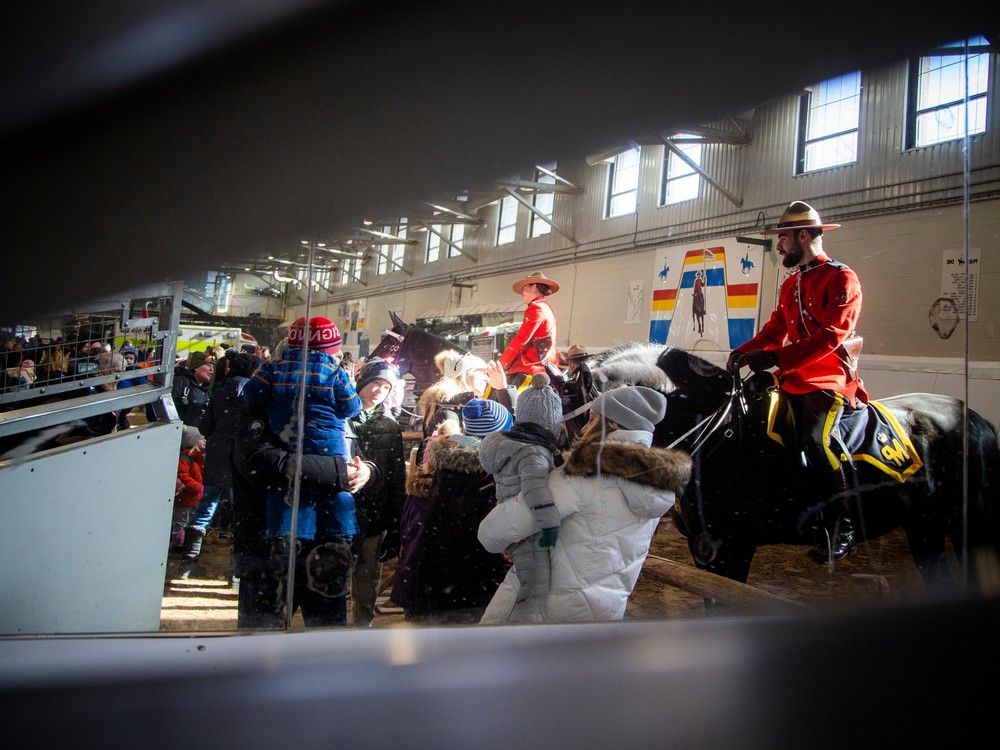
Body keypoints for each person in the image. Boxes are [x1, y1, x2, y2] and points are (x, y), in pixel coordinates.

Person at [725, 200, 867, 563]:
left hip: (829, 379)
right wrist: (742, 352)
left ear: (804, 236)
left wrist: (774, 358)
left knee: (815, 440)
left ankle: (845, 524)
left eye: (784, 238)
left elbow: (831, 338)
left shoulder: (842, 278)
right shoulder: (791, 285)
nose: (780, 246)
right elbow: (774, 331)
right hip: (791, 377)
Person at [478, 385, 692, 624]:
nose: (583, 427)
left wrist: (510, 542)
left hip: (546, 609)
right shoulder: (656, 484)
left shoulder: (582, 476)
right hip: (603, 614)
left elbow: (492, 532)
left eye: (592, 419)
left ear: (609, 425)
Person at [241, 315, 363, 626]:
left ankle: (286, 540)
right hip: (330, 473)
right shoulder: (335, 373)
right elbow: (353, 407)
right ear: (333, 348)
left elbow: (252, 395)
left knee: (288, 511)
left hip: (285, 484)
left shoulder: (272, 369)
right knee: (326, 611)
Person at [476, 373, 564, 615]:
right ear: (551, 422)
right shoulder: (533, 452)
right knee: (534, 589)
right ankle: (522, 634)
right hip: (530, 528)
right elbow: (535, 491)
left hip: (511, 518)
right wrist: (550, 525)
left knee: (520, 584)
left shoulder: (510, 443)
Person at [177, 351, 263, 579]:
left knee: (206, 507)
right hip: (243, 461)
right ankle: (236, 574)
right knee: (241, 514)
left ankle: (187, 564)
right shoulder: (255, 392)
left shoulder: (219, 392)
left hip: (217, 458)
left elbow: (205, 426)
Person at [346, 358, 406, 627]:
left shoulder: (390, 426)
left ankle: (362, 626)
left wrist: (395, 523)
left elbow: (395, 477)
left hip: (375, 512)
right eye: (375, 383)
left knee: (368, 576)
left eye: (385, 386)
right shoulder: (342, 417)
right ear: (362, 383)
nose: (379, 390)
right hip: (342, 509)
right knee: (335, 571)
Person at [497, 271, 561, 387]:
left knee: (504, 395)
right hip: (545, 365)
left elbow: (521, 339)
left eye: (525, 288)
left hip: (532, 367)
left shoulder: (536, 308)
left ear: (534, 287)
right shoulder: (545, 307)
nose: (522, 292)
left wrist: (501, 364)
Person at [171, 425, 205, 553]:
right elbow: (183, 477)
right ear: (193, 442)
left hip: (193, 498)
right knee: (181, 522)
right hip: (185, 498)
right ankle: (178, 545)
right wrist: (198, 488)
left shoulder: (198, 457)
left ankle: (184, 543)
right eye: (202, 439)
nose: (205, 441)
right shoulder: (184, 458)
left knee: (187, 521)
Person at [171, 351, 214, 427]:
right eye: (208, 365)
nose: (211, 369)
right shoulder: (180, 382)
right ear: (196, 367)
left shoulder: (207, 389)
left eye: (213, 366)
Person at [692, 269, 706, 336]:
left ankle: (703, 309)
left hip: (700, 292)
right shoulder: (696, 280)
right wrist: (694, 293)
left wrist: (705, 281)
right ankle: (694, 310)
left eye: (699, 274)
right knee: (694, 301)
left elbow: (703, 285)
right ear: (696, 275)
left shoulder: (700, 280)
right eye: (698, 274)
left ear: (700, 275)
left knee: (702, 299)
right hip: (696, 292)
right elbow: (694, 287)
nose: (698, 275)